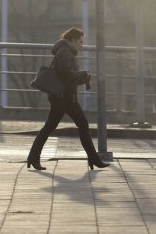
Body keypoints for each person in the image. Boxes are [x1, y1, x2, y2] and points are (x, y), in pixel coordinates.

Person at [27, 27, 110, 171]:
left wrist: (82, 77)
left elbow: (67, 77)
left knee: (60, 127)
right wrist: (81, 74)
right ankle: (93, 159)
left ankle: (93, 158)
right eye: (80, 42)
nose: (82, 45)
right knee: (71, 126)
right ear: (73, 40)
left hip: (66, 97)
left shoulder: (66, 51)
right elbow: (65, 73)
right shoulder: (65, 51)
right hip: (62, 98)